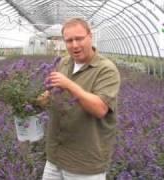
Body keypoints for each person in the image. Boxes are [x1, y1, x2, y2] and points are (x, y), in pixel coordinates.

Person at [41, 17, 121, 180]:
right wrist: (36, 100)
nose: (74, 45)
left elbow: (100, 109)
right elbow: (53, 94)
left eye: (79, 38)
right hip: (55, 156)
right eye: (69, 40)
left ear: (90, 36)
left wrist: (69, 85)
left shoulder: (106, 69)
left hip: (84, 164)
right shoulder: (64, 63)